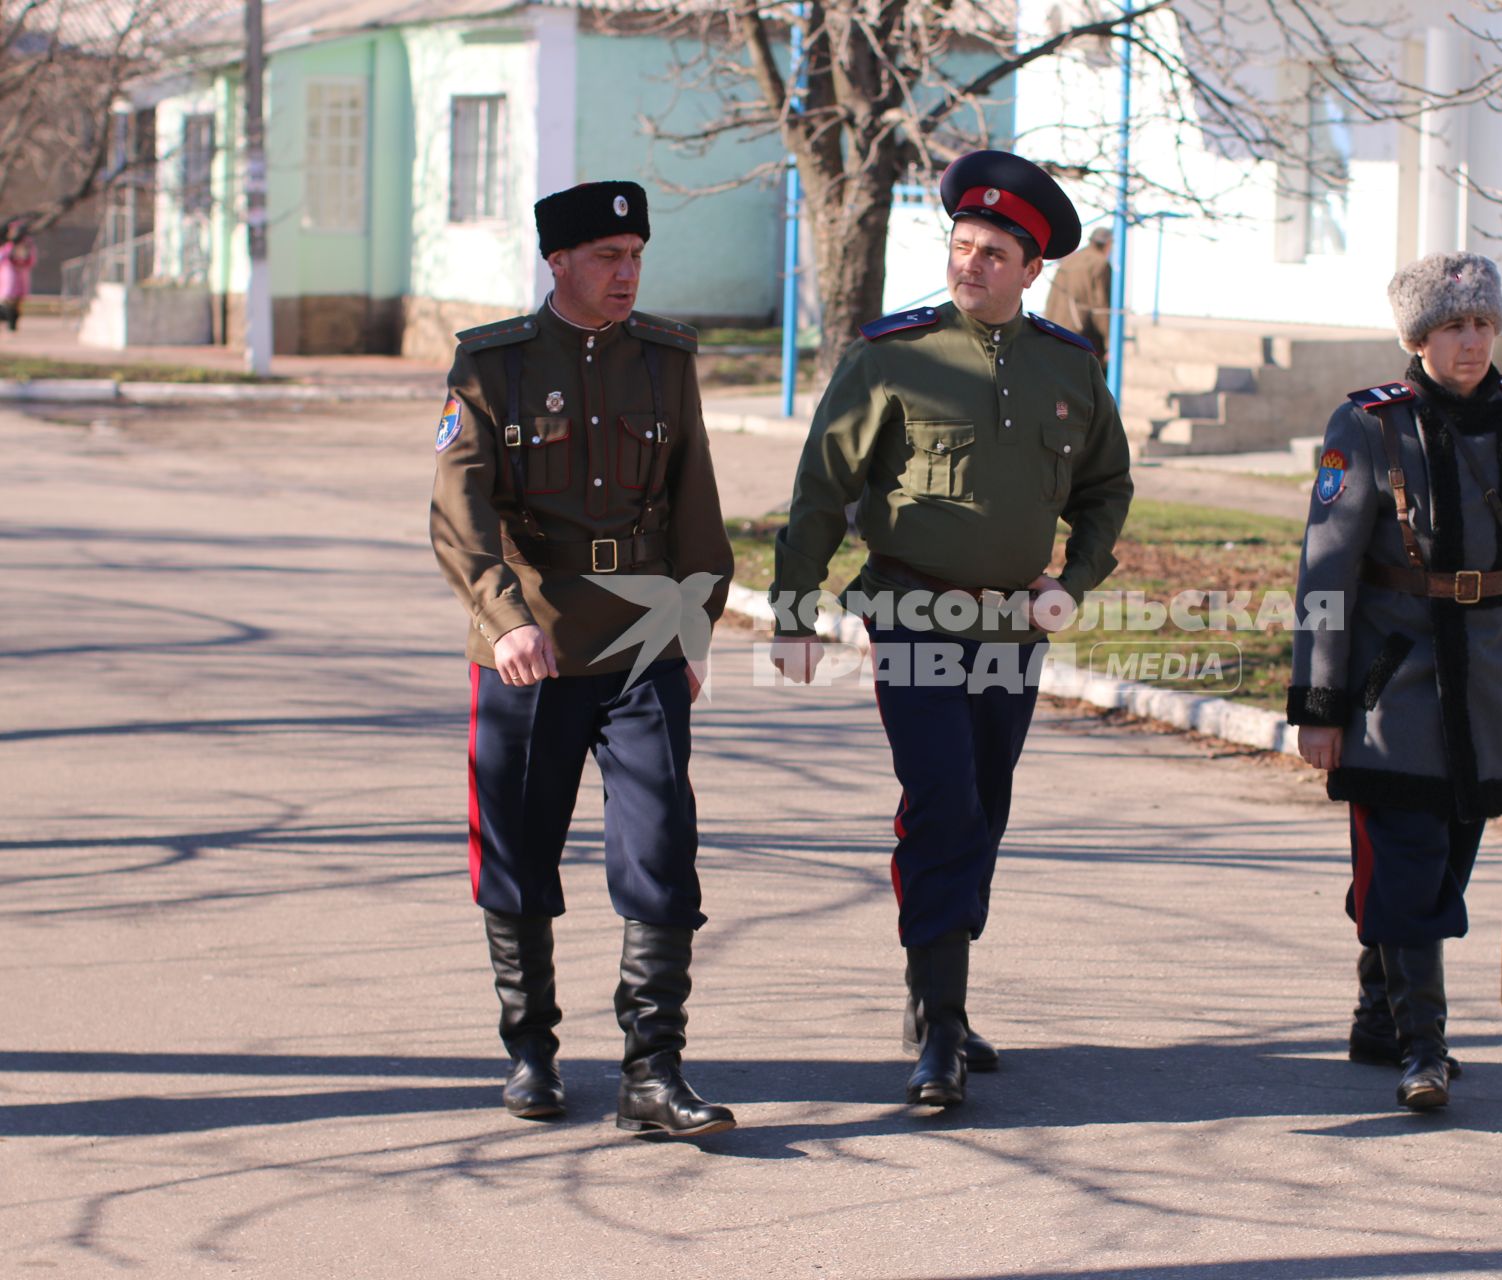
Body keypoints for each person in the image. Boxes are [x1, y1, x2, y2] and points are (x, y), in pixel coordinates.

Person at [767, 150, 1133, 1108]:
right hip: (912, 613)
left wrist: (1073, 579)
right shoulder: (894, 355)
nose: (969, 266)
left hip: (1014, 629)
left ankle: (945, 993)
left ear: (1031, 269)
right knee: (944, 801)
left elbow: (1106, 488)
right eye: (960, 247)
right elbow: (820, 491)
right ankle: (936, 1032)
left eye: (992, 253)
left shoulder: (1068, 366)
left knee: (989, 805)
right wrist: (794, 610)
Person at [429, 180, 736, 1138]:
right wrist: (504, 615)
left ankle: (653, 1071)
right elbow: (459, 512)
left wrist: (692, 628)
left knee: (661, 850)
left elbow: (695, 503)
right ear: (557, 262)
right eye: (607, 256)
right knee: (519, 847)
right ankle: (531, 1051)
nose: (626, 273)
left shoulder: (665, 359)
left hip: (643, 639)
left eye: (636, 254)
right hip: (530, 645)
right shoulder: (493, 365)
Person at [1286, 251, 1502, 1112]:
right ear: (1416, 338)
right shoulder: (1369, 424)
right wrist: (1320, 703)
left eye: (1483, 324)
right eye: (1454, 327)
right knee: (1410, 867)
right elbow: (1325, 575)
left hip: (1489, 684)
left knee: (1443, 864)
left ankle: (1379, 1014)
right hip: (1393, 688)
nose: (1472, 342)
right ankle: (1424, 1050)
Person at [1043, 225, 1112, 365]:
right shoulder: (1100, 264)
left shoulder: (1069, 260)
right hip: (1081, 337)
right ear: (1108, 244)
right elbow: (1102, 308)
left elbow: (1051, 300)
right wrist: (1109, 343)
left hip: (1055, 333)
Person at [0, 220, 38, 332]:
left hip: (20, 274)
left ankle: (12, 324)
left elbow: (31, 260)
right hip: (10, 273)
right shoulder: (9, 245)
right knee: (9, 299)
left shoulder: (27, 244)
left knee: (16, 300)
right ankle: (10, 323)